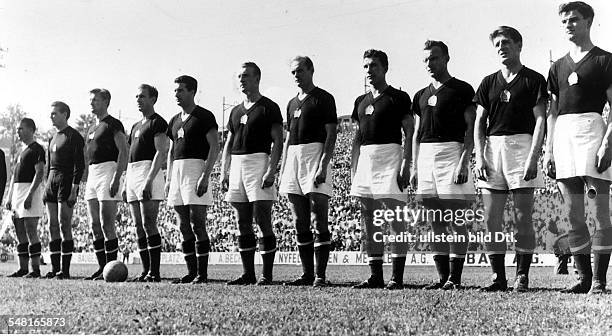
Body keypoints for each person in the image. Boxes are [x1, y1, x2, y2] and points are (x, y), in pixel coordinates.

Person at [545, 1, 612, 294]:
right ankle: (583, 278)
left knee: (599, 211)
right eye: (564, 21)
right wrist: (548, 149)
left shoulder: (605, 61)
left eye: (574, 19)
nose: (568, 25)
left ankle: (599, 279)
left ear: (588, 21)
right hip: (564, 137)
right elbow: (552, 112)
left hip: (592, 134)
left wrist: (607, 143)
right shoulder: (557, 66)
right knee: (572, 214)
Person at [474, 26, 548, 292]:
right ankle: (497, 277)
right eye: (497, 44)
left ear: (518, 45)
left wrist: (533, 156)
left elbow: (541, 120)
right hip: (493, 150)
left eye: (506, 42)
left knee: (522, 217)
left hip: (521, 146)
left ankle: (522, 275)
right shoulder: (488, 82)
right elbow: (480, 122)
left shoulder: (534, 79)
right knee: (491, 218)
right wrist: (479, 156)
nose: (501, 48)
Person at [411, 40, 476, 290]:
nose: (430, 63)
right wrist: (415, 166)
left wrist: (463, 160)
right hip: (426, 156)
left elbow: (470, 128)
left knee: (456, 218)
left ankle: (455, 278)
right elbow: (416, 133)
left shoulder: (461, 89)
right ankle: (441, 278)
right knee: (434, 219)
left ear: (447, 58)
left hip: (452, 152)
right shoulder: (420, 95)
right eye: (426, 59)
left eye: (434, 58)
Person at [350, 49, 413, 290]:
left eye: (374, 66)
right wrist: (354, 168)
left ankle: (396, 276)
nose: (369, 70)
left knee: (395, 219)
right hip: (366, 158)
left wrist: (407, 163)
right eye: (366, 66)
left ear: (385, 68)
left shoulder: (398, 97)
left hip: (390, 156)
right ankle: (375, 275)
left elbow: (410, 132)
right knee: (369, 221)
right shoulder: (360, 101)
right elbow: (357, 138)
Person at [221, 62, 283, 286]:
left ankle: (266, 275)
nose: (241, 80)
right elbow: (228, 142)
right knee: (241, 221)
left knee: (262, 218)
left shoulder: (268, 107)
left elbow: (278, 141)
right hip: (237, 164)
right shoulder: (235, 111)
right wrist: (224, 171)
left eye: (246, 76)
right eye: (239, 76)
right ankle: (248, 273)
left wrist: (271, 169)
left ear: (257, 78)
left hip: (258, 161)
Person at [279, 56, 337, 287]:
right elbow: (287, 139)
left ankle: (321, 275)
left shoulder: (323, 98)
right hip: (294, 157)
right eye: (293, 72)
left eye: (300, 70)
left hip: (315, 155)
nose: (296, 75)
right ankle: (307, 274)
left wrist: (323, 164)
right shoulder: (291, 103)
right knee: (298, 221)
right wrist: (282, 169)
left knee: (318, 218)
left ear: (311, 70)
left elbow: (331, 134)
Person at [167, 76, 218, 284]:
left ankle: (202, 274)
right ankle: (190, 272)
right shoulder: (174, 120)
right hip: (177, 172)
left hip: (195, 168)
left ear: (192, 91)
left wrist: (205, 176)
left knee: (198, 223)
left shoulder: (204, 116)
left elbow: (215, 147)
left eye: (180, 90)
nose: (176, 94)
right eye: (175, 91)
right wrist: (169, 178)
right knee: (182, 225)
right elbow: (171, 152)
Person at [124, 84, 169, 282]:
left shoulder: (158, 122)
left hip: (148, 171)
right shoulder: (135, 126)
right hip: (133, 173)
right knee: (137, 226)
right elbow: (129, 156)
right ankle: (145, 270)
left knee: (149, 223)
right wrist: (126, 181)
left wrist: (149, 180)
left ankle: (155, 272)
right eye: (136, 96)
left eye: (142, 96)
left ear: (153, 99)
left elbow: (161, 151)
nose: (138, 100)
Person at [83, 88, 128, 280]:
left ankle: (111, 266)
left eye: (95, 100)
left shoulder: (113, 124)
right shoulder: (92, 129)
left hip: (108, 171)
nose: (91, 103)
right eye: (91, 100)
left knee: (106, 223)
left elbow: (124, 151)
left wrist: (117, 178)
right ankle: (102, 268)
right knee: (94, 224)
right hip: (93, 173)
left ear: (106, 101)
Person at [43, 101, 85, 279]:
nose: (51, 116)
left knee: (64, 224)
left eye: (54, 113)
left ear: (64, 114)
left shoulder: (73, 136)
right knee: (51, 226)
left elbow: (79, 164)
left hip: (65, 181)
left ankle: (65, 270)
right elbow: (48, 165)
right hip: (51, 182)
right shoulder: (52, 138)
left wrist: (74, 188)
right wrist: (46, 185)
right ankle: (54, 268)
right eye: (51, 113)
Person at [6, 118, 45, 278]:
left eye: (21, 129)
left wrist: (30, 194)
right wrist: (9, 197)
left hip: (30, 191)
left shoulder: (37, 149)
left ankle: (35, 269)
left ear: (30, 129)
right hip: (17, 192)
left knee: (30, 229)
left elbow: (40, 172)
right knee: (19, 230)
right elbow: (14, 175)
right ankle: (22, 268)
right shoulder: (21, 150)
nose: (18, 132)